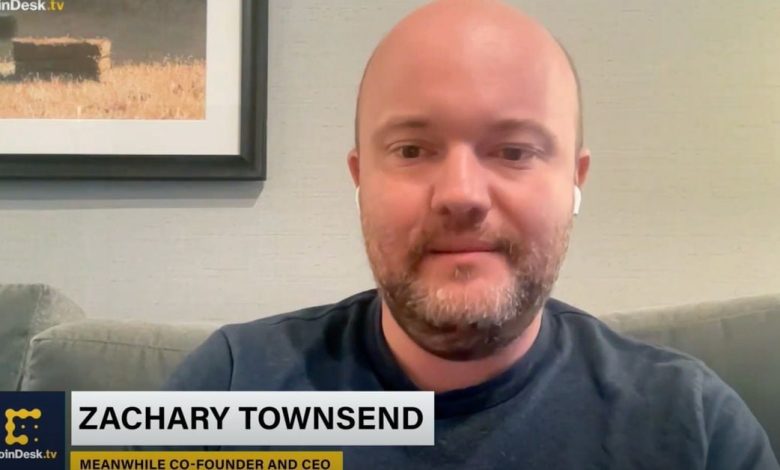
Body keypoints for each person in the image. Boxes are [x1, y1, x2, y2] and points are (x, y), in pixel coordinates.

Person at [166, 0, 779, 468]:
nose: (461, 194)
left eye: (514, 151)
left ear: (574, 180)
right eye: (412, 150)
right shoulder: (230, 387)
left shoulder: (695, 428)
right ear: (360, 178)